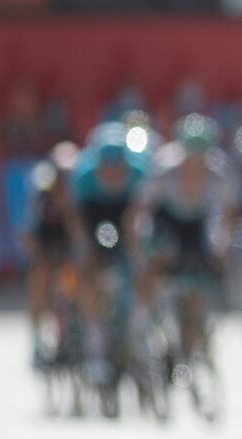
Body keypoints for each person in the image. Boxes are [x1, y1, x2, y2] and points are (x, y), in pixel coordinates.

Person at [135, 113, 242, 363]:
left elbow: (228, 216)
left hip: (196, 222)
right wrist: (142, 243)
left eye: (201, 155)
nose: (195, 162)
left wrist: (222, 246)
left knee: (197, 283)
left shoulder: (221, 172)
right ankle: (144, 318)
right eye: (190, 155)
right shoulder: (164, 168)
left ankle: (188, 345)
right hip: (166, 220)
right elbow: (141, 210)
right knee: (155, 263)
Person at [71, 122, 149, 386]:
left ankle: (136, 331)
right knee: (88, 271)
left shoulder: (139, 173)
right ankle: (94, 335)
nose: (114, 171)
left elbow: (137, 217)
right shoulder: (83, 176)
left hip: (124, 216)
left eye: (119, 165)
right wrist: (85, 250)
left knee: (139, 270)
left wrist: (137, 251)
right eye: (108, 164)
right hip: (95, 216)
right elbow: (78, 220)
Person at [23, 142, 82, 368]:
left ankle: (78, 326)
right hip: (46, 234)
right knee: (40, 276)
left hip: (70, 234)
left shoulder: (80, 186)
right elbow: (29, 228)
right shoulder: (41, 184)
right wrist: (37, 253)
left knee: (77, 277)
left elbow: (80, 229)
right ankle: (37, 339)